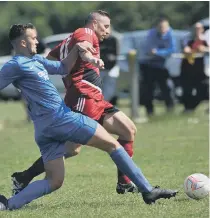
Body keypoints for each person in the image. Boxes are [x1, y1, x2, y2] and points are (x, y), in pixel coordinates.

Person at [0, 23, 178, 210]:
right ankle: (147, 190)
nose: (37, 41)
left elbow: (62, 67)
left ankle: (7, 205)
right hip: (61, 119)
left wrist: (77, 49)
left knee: (54, 181)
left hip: (45, 128)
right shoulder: (15, 65)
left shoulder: (36, 60)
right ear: (21, 42)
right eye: (33, 38)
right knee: (113, 144)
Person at [12, 10, 138, 195]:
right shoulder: (86, 33)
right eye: (105, 26)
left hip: (95, 98)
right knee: (72, 149)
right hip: (82, 98)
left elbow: (52, 58)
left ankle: (124, 183)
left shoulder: (68, 39)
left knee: (128, 129)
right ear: (94, 23)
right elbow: (83, 45)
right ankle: (23, 177)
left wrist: (67, 72)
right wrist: (89, 58)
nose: (107, 31)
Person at [139, 17, 176, 116]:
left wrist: (158, 52)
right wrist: (161, 52)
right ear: (157, 27)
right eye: (161, 27)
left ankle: (170, 111)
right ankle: (150, 112)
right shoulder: (151, 34)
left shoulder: (170, 33)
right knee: (148, 90)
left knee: (167, 88)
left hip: (163, 66)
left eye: (165, 27)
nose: (163, 29)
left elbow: (171, 50)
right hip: (148, 65)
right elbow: (150, 51)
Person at [180, 22, 209, 113]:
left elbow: (207, 48)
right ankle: (187, 108)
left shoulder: (205, 40)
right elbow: (186, 49)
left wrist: (204, 49)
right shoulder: (187, 39)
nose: (197, 30)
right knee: (187, 90)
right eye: (195, 28)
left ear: (202, 30)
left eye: (199, 28)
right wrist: (194, 49)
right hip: (187, 69)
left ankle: (191, 106)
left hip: (200, 70)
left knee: (203, 90)